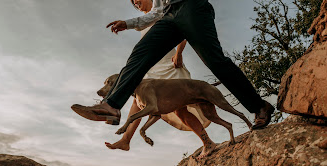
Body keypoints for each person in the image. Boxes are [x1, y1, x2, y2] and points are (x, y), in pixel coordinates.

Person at [72, 0, 274, 135]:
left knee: (215, 62)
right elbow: (157, 11)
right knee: (139, 55)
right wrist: (129, 23)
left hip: (192, 6)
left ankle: (259, 106)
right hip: (169, 14)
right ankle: (112, 106)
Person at [104, 0, 211, 153]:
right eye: (134, 3)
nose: (136, 3)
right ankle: (125, 140)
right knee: (138, 100)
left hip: (169, 66)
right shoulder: (144, 21)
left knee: (180, 110)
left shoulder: (163, 12)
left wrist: (179, 53)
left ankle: (207, 142)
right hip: (153, 69)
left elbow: (183, 29)